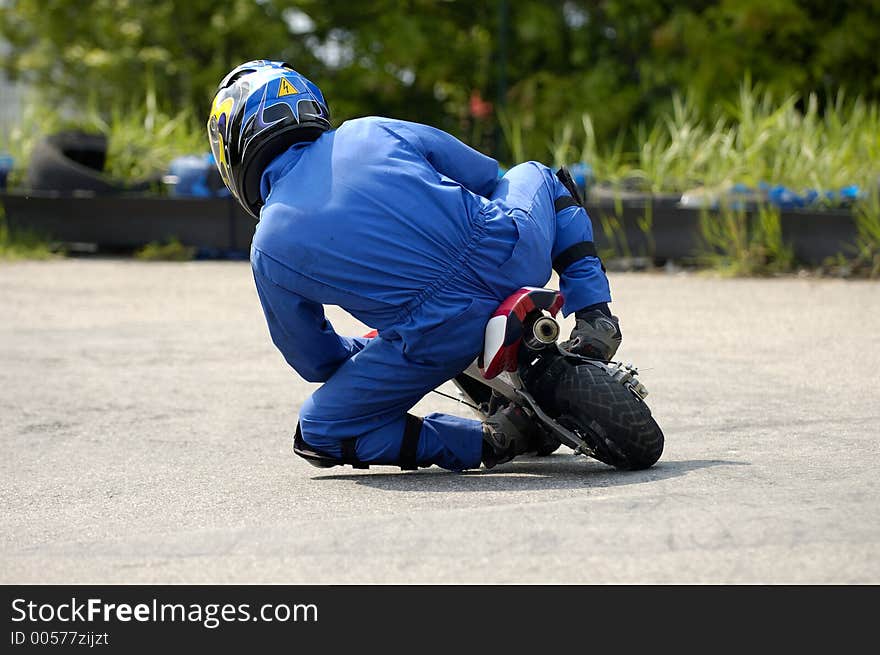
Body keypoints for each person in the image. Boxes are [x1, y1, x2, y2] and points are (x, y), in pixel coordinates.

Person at [207, 60, 622, 472]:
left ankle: (490, 440)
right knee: (539, 176)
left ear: (233, 149)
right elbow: (484, 173)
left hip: (435, 339)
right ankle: (594, 318)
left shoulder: (268, 248)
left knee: (320, 430)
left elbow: (314, 361)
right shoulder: (370, 130)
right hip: (512, 255)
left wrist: (378, 345)